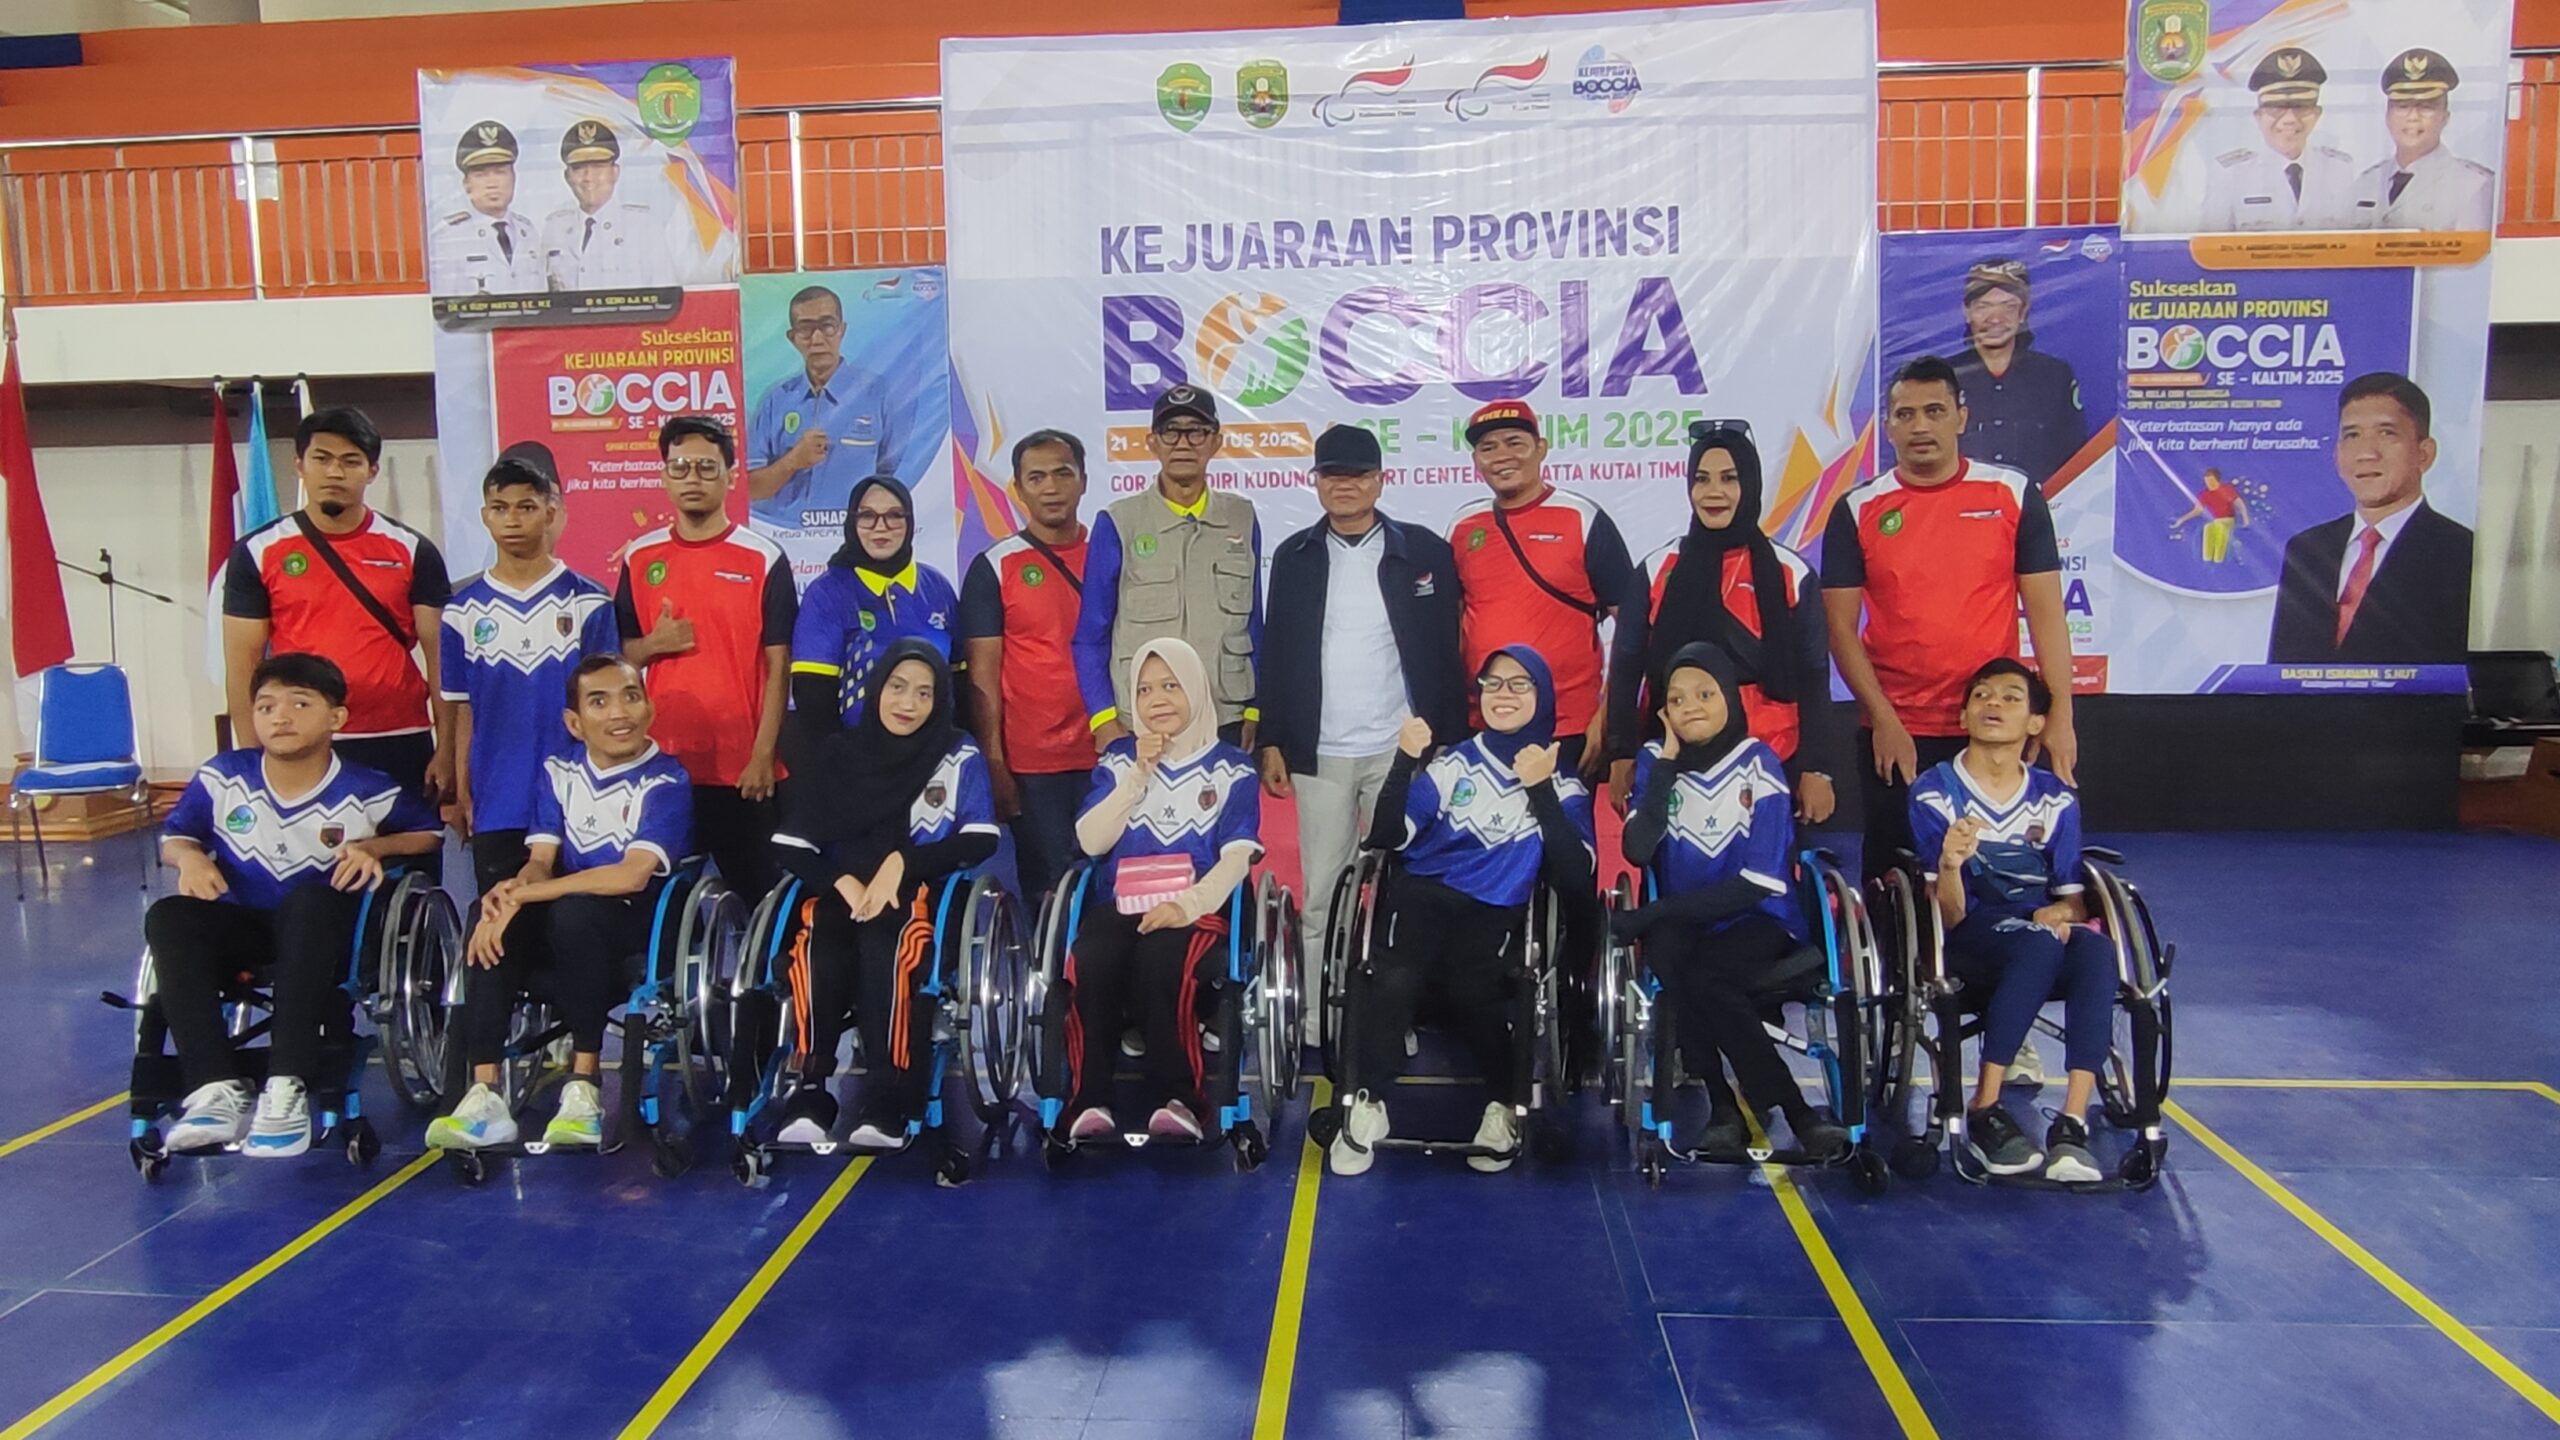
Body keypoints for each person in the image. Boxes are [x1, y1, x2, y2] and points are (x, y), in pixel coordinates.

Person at [145, 654, 443, 1158]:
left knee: (310, 901)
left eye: (299, 704)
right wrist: (189, 858)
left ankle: (286, 1085)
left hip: (321, 931)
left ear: (336, 717)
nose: (280, 717)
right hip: (244, 923)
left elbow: (429, 833)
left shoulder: (368, 787)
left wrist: (374, 847)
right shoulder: (224, 777)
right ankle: (214, 1090)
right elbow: (176, 836)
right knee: (169, 916)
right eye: (266, 707)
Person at [1326, 647, 1596, 1177]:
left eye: (1519, 684)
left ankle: (1503, 1105)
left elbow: (1574, 876)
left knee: (1477, 987)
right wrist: (1404, 760)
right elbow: (1388, 834)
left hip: (1495, 907)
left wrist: (1540, 790)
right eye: (1493, 683)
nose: (1503, 694)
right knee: (1392, 976)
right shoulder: (1453, 764)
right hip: (1423, 893)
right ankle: (1366, 1103)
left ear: (1543, 696)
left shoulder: (1562, 783)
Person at [1825, 356, 2077, 882]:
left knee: (2001, 875)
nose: (1920, 426)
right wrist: (1884, 720)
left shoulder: (2013, 494)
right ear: (1888, 426)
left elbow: (2048, 618)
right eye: (1905, 414)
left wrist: (2059, 717)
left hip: (1992, 726)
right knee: (1895, 877)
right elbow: (1839, 630)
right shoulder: (1857, 508)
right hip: (1899, 728)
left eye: (1934, 411)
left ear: (1961, 417)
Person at [432, 655, 693, 1152]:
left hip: (636, 920)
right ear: (574, 722)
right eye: (600, 701)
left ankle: (584, 1084)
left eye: (630, 696)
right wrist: (511, 894)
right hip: (566, 910)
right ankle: (485, 1093)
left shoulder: (666, 780)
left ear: (650, 708)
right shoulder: (559, 770)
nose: (619, 712)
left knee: (576, 913)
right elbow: (541, 860)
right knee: (487, 914)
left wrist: (530, 892)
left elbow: (631, 874)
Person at [1613, 643, 1849, 1160]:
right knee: (1668, 955)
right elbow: (1637, 849)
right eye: (1676, 699)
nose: (1690, 707)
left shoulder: (1758, 763)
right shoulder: (1655, 762)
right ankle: (1727, 1107)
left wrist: (1655, 912)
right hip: (1688, 922)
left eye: (1704, 694)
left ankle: (1787, 1111)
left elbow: (1757, 883)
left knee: (1699, 975)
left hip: (1758, 917)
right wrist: (1667, 765)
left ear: (1729, 698)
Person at [1258, 423, 1468, 982]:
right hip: (1320, 752)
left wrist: (1449, 740)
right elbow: (1276, 650)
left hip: (1400, 753)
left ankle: (1395, 1007)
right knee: (1323, 894)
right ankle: (1315, 1015)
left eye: (1358, 475)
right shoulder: (1294, 556)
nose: (1345, 485)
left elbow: (1446, 650)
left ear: (1380, 480)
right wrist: (1274, 739)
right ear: (1315, 482)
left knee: (1406, 887)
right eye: (1332, 475)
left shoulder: (1423, 551)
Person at [768, 641, 999, 1148]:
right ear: (876, 690)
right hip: (846, 891)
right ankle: (811, 1088)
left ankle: (886, 1091)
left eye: (924, 693)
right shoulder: (840, 754)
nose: (908, 703)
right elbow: (790, 842)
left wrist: (903, 863)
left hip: (920, 894)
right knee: (817, 944)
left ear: (939, 700)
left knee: (885, 946)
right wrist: (841, 881)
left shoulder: (956, 753)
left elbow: (982, 836)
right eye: (897, 687)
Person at [1909, 658, 2110, 1183]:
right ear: (1963, 716)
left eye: (2010, 697)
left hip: (2037, 930)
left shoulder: (2054, 798)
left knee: (2095, 948)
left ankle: (2071, 1122)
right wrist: (1949, 865)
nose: (1993, 703)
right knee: (2038, 945)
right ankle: (1985, 1105)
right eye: (1981, 695)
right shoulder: (1935, 792)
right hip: (1972, 936)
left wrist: (2059, 912)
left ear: (2036, 723)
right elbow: (1947, 916)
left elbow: (2074, 900)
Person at [1062, 638, 1263, 1143]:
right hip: (1122, 901)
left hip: (1196, 906)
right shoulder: (1118, 760)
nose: (1157, 700)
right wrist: (1138, 775)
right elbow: (1091, 841)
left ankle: (1179, 1099)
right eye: (1145, 689)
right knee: (1092, 957)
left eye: (1171, 685)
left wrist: (1186, 905)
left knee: (1162, 960)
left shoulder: (1231, 767)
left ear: (1194, 687)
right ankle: (1089, 1099)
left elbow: (1236, 858)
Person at [224, 406, 454, 812]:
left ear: (372, 471)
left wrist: (447, 747)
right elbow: (242, 664)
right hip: (303, 739)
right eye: (322, 459)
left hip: (398, 737)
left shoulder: (413, 550)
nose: (334, 472)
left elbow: (441, 660)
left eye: (350, 461)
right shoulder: (258, 551)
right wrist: (249, 757)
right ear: (299, 465)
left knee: (408, 850)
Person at [616, 416, 796, 900]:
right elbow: (620, 657)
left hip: (744, 770)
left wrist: (763, 754)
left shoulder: (764, 557)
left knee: (761, 901)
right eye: (680, 467)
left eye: (706, 467)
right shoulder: (639, 556)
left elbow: (780, 666)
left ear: (731, 477)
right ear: (664, 476)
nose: (692, 478)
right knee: (663, 907)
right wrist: (653, 645)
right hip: (662, 766)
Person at [1630, 422, 1840, 825]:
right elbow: (1628, 664)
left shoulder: (1790, 572)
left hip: (1773, 755)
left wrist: (1818, 768)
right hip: (1677, 755)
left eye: (1730, 478)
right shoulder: (1657, 568)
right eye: (1702, 479)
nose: (1714, 492)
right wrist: (1623, 753)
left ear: (1752, 483)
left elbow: (1814, 673)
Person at [437, 457, 617, 895]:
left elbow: (608, 706)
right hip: (498, 801)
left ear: (550, 513)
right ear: (485, 516)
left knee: (571, 921)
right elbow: (463, 710)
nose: (513, 520)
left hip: (578, 800)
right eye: (500, 508)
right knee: (504, 921)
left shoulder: (590, 601)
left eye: (526, 507)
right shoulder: (461, 612)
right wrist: (463, 792)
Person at [1447, 398, 1647, 778]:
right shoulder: (1462, 526)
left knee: (1564, 819)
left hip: (1568, 724)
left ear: (1541, 449)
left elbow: (1632, 628)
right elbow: (1452, 628)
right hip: (1486, 721)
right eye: (1488, 448)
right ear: (1475, 461)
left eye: (1514, 443)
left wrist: (1608, 717)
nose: (1502, 456)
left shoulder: (1582, 518)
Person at [1073, 385, 1264, 749]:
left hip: (1225, 718)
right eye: (1171, 432)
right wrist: (1104, 719)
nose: (1183, 443)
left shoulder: (1241, 517)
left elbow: (1253, 623)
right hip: (1142, 722)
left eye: (1197, 432)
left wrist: (1254, 711)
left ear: (1216, 442)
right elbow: (1090, 634)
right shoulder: (1119, 521)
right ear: (1152, 443)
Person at [960, 429, 1094, 902]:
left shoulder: (1111, 555)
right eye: (1036, 478)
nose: (1051, 487)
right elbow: (982, 679)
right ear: (1018, 489)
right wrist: (994, 765)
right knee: (1051, 892)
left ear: (1084, 481)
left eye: (1063, 473)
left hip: (1112, 754)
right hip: (1034, 765)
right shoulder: (994, 566)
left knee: (1114, 889)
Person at [2267, 372, 2474, 665]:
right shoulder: (2307, 549)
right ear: (2337, 454)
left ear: (2424, 454)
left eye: (2386, 433)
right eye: (2352, 435)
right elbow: (2282, 672)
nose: (2366, 453)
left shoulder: (2461, 551)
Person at [788, 473, 958, 742]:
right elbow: (813, 693)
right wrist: (845, 756)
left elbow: (960, 676)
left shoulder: (937, 586)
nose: (881, 527)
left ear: (910, 521)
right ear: (852, 522)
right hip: (857, 752)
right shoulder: (828, 592)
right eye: (867, 516)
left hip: (934, 750)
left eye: (894, 515)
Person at [746, 285, 908, 532]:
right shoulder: (775, 401)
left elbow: (896, 480)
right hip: (788, 539)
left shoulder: (877, 394)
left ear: (842, 330)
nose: (817, 339)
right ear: (792, 337)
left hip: (856, 538)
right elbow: (750, 489)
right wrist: (792, 462)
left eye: (827, 326)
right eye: (805, 329)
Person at [1946, 260, 2089, 489]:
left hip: (2037, 507)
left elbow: (2075, 457)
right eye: (1984, 307)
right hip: (1959, 506)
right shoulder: (1942, 378)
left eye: (2008, 307)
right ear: (1967, 312)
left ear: (2023, 312)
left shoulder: (2055, 375)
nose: (1996, 319)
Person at [2200, 48, 2360, 232]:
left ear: (2317, 114)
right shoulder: (2230, 175)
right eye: (2276, 109)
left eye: (2301, 107)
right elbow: (2211, 245)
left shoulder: (2341, 169)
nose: (2289, 119)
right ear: (2259, 116)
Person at [2355, 48, 2495, 231]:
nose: (2413, 117)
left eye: (2426, 107)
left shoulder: (2473, 184)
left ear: (2445, 117)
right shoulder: (2367, 182)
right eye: (2403, 106)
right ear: (2388, 116)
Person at [538, 119, 672, 291]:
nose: (588, 177)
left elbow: (665, 295)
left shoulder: (643, 227)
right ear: (567, 176)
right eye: (579, 168)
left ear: (615, 172)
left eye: (598, 166)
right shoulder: (555, 228)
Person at [428, 120, 543, 296]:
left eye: (500, 172)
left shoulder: (528, 231)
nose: (492, 184)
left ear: (513, 177)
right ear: (466, 183)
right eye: (480, 175)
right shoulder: (449, 237)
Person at [2168, 468, 2253, 565]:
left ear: (2217, 480)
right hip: (2217, 520)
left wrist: (2246, 518)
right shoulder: (2205, 494)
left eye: (2211, 481)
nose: (2209, 484)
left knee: (2220, 529)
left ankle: (2218, 558)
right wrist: (2182, 519)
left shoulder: (2226, 489)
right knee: (2208, 528)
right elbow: (2197, 510)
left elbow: (2239, 503)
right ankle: (2207, 558)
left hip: (2228, 519)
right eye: (2207, 481)